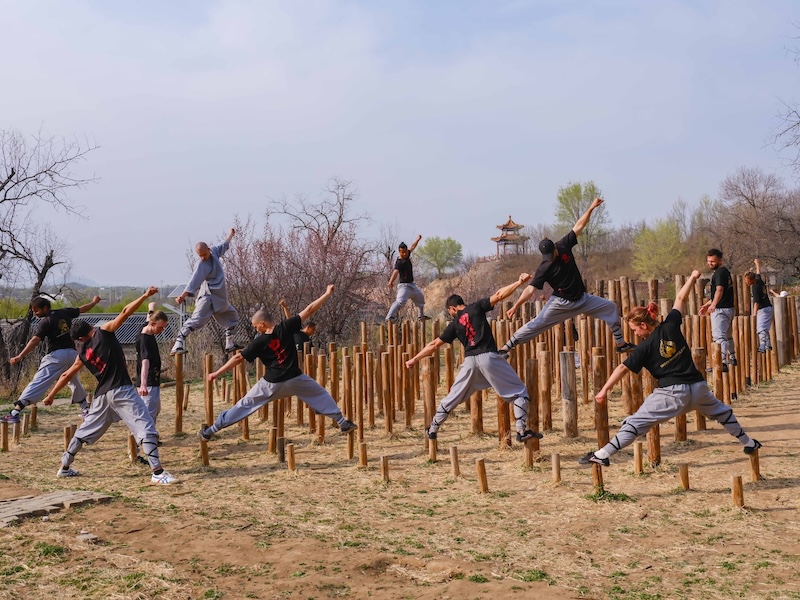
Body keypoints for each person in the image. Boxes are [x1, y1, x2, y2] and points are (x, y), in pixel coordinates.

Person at [579, 270, 761, 467]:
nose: (635, 334)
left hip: (672, 394)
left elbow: (623, 368)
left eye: (634, 329)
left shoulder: (644, 347)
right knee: (723, 414)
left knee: (635, 422)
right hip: (698, 388)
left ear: (642, 324)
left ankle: (602, 454)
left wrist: (604, 390)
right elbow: (681, 298)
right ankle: (749, 443)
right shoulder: (671, 325)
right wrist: (692, 277)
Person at [43, 287, 176, 484]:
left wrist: (51, 395)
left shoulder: (83, 354)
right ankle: (157, 472)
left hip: (101, 397)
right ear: (90, 328)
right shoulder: (103, 332)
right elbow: (124, 312)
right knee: (145, 426)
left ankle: (64, 466)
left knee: (84, 431)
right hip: (122, 390)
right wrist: (145, 296)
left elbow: (66, 374)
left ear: (80, 339)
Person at [199, 285, 357, 441]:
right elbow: (309, 310)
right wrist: (327, 293)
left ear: (262, 323)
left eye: (256, 326)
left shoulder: (259, 342)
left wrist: (216, 373)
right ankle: (342, 422)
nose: (256, 330)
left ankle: (210, 431)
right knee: (320, 394)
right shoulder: (285, 327)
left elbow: (238, 358)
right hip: (295, 379)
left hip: (271, 384)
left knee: (245, 405)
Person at [405, 273, 544, 443]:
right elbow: (500, 295)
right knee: (519, 393)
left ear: (452, 308)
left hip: (470, 363)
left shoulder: (454, 324)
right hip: (489, 358)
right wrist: (519, 282)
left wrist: (414, 359)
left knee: (453, 397)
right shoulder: (476, 307)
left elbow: (434, 344)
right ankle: (521, 430)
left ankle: (433, 428)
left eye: (450, 312)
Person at [499, 198, 635, 358]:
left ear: (555, 248)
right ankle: (505, 349)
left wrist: (591, 207)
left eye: (551, 255)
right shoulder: (544, 267)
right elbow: (530, 289)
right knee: (537, 324)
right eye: (547, 256)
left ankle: (620, 344)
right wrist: (516, 306)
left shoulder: (563, 245)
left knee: (610, 307)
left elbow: (579, 225)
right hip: (560, 304)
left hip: (582, 299)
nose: (550, 258)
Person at [3, 294, 102, 424]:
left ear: (45, 308)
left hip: (56, 356)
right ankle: (86, 411)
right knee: (73, 381)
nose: (35, 313)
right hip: (72, 354)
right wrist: (94, 302)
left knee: (39, 381)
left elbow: (35, 340)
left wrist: (20, 355)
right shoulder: (64, 312)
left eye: (36, 310)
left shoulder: (46, 321)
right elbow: (81, 309)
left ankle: (15, 412)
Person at [171, 228, 239, 355]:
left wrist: (231, 234)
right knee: (197, 320)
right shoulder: (201, 265)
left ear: (208, 249)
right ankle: (178, 343)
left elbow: (224, 244)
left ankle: (229, 343)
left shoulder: (214, 252)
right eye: (200, 255)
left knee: (233, 317)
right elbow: (193, 281)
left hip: (220, 297)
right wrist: (183, 296)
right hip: (208, 297)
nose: (203, 257)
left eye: (204, 254)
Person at [133, 303, 169, 463]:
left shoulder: (145, 327)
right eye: (161, 327)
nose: (162, 331)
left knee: (155, 410)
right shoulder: (146, 340)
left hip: (152, 382)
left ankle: (150, 439)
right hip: (148, 383)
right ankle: (138, 450)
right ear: (153, 325)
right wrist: (143, 384)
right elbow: (145, 362)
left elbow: (148, 318)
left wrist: (151, 307)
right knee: (147, 417)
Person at [699, 248, 737, 372]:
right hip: (729, 308)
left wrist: (713, 305)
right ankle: (732, 356)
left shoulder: (720, 273)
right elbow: (719, 293)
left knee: (719, 337)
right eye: (709, 261)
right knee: (728, 336)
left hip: (721, 311)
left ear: (720, 261)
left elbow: (719, 290)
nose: (710, 263)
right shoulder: (724, 272)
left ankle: (722, 362)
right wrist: (708, 304)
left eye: (713, 261)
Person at [386, 235, 429, 323]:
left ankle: (421, 316)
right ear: (399, 252)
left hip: (412, 285)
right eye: (402, 252)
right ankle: (389, 317)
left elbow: (413, 246)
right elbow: (395, 272)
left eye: (405, 252)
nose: (404, 254)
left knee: (420, 298)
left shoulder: (407, 254)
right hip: (404, 286)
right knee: (400, 302)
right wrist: (390, 282)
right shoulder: (399, 262)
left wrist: (417, 239)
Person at [745, 259, 773, 353]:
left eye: (747, 281)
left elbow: (756, 302)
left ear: (751, 280)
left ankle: (762, 345)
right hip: (768, 307)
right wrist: (757, 264)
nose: (747, 283)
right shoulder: (759, 280)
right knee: (765, 328)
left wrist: (754, 314)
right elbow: (758, 272)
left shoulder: (755, 287)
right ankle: (768, 344)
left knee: (760, 328)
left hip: (763, 309)